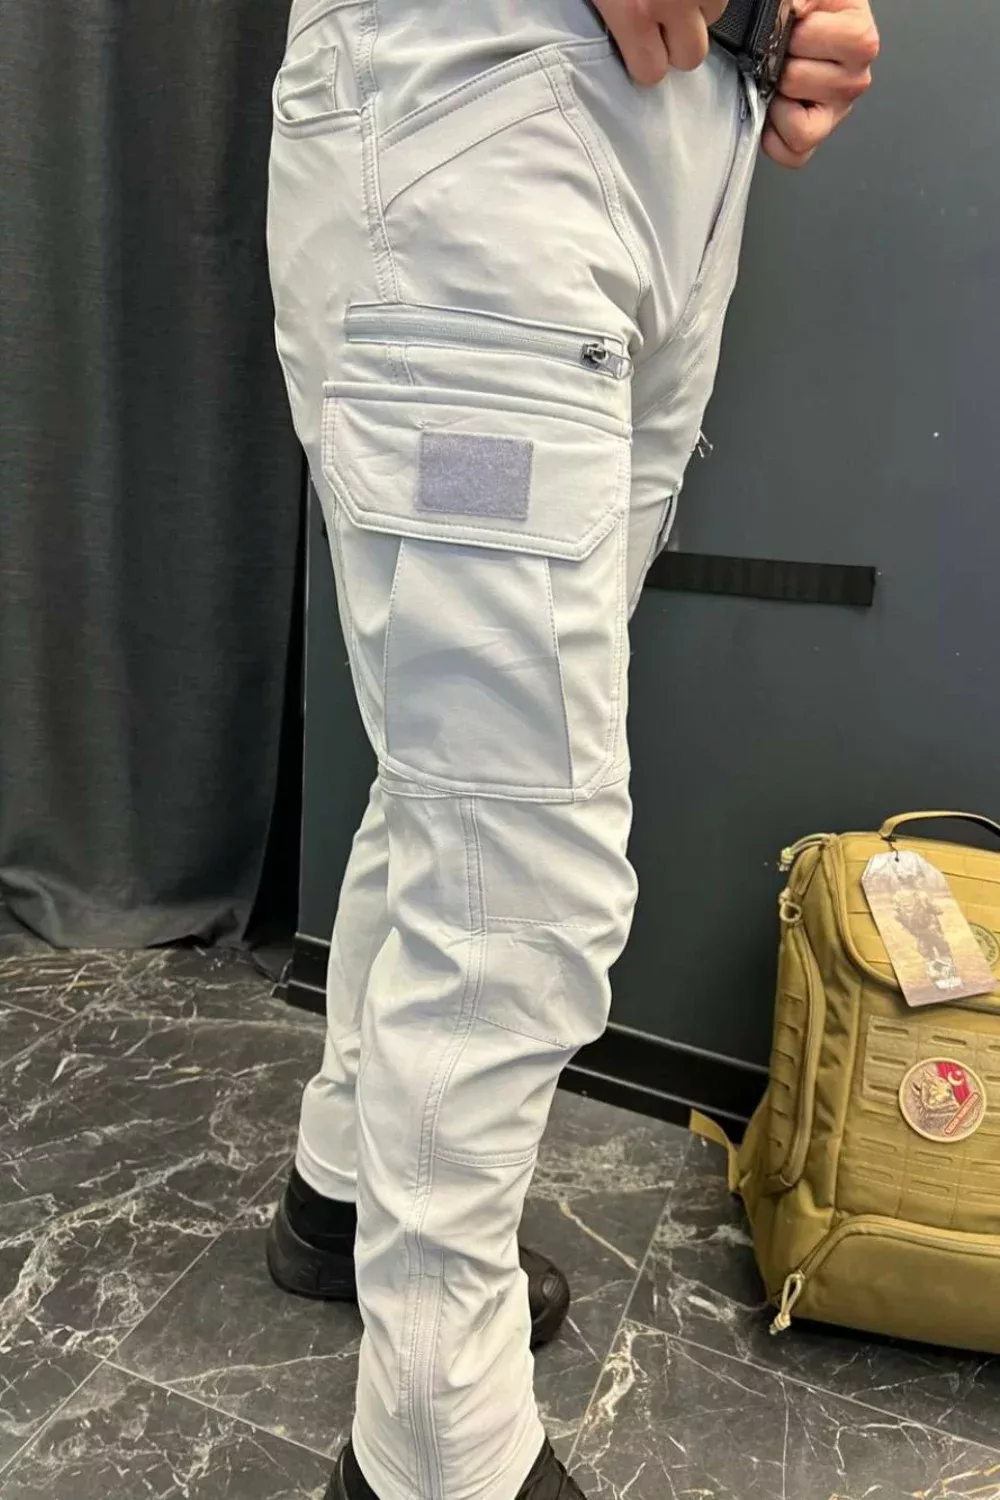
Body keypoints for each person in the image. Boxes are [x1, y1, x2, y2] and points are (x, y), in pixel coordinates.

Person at [264, 1, 878, 1496]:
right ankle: (434, 1451)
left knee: (463, 777)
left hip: (682, 152)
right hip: (483, 111)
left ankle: (342, 1193)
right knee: (518, 870)